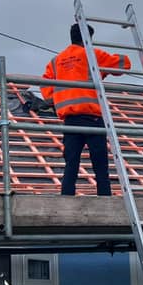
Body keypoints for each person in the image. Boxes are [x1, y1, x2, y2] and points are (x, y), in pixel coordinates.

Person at [41, 23, 130, 195]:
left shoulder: (56, 61)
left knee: (71, 164)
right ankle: (105, 200)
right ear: (88, 38)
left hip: (70, 121)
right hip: (92, 118)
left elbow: (46, 89)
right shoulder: (92, 55)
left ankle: (66, 199)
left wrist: (61, 98)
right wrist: (120, 58)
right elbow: (122, 65)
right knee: (100, 165)